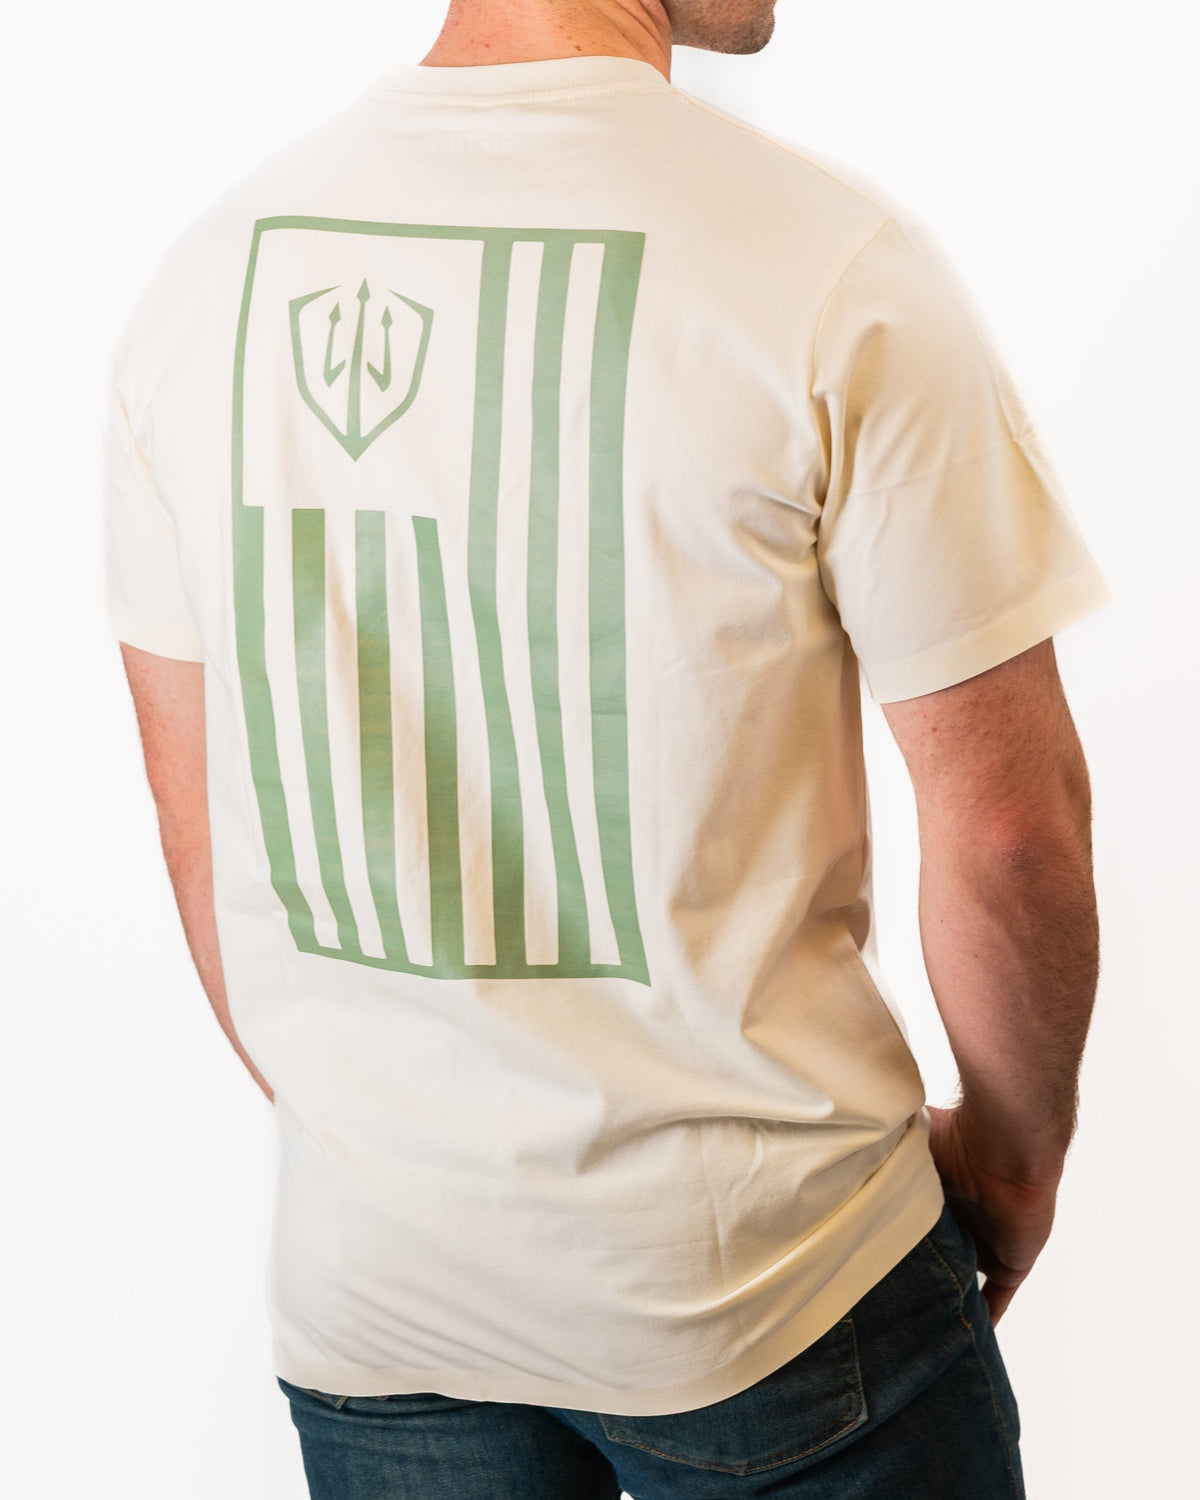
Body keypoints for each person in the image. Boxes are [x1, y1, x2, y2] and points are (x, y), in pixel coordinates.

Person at [102, 0, 1112, 1494]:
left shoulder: (202, 291)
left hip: (381, 1305)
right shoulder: (827, 272)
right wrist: (1015, 1171)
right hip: (775, 1287)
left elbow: (204, 833)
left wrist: (410, 1164)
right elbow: (1009, 831)